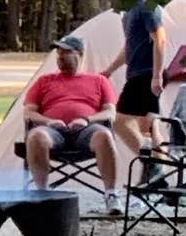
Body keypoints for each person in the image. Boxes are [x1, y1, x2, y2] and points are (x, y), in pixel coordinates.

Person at [19, 34, 125, 194]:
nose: (60, 57)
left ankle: (111, 194)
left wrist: (86, 120)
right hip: (52, 131)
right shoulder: (44, 81)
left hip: (87, 131)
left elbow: (110, 113)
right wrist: (48, 121)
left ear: (80, 54)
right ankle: (42, 194)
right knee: (36, 136)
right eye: (58, 53)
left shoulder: (99, 81)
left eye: (66, 52)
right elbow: (28, 113)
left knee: (105, 136)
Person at [113, 0, 167, 171]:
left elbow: (160, 40)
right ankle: (157, 171)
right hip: (136, 74)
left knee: (127, 122)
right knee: (147, 126)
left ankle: (155, 168)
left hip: (147, 73)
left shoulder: (146, 7)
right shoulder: (128, 12)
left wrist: (157, 76)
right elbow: (129, 48)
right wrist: (109, 70)